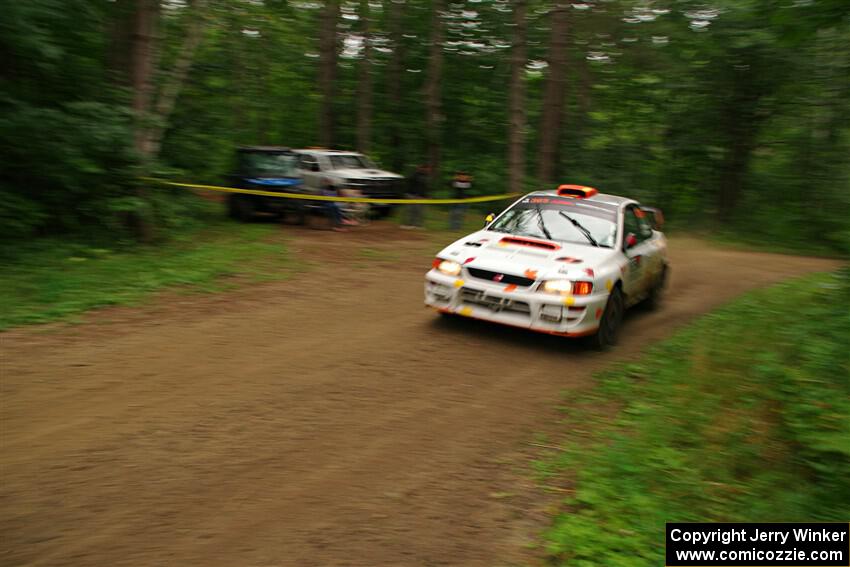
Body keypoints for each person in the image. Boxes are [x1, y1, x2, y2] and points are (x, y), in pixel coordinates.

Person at [402, 164, 430, 229]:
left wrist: (427, 195)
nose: (428, 170)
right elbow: (411, 184)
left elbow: (425, 187)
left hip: (421, 196)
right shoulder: (414, 175)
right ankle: (408, 224)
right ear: (422, 168)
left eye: (429, 169)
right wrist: (415, 194)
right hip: (412, 194)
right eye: (427, 168)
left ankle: (418, 225)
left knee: (420, 211)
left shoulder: (426, 176)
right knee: (410, 210)